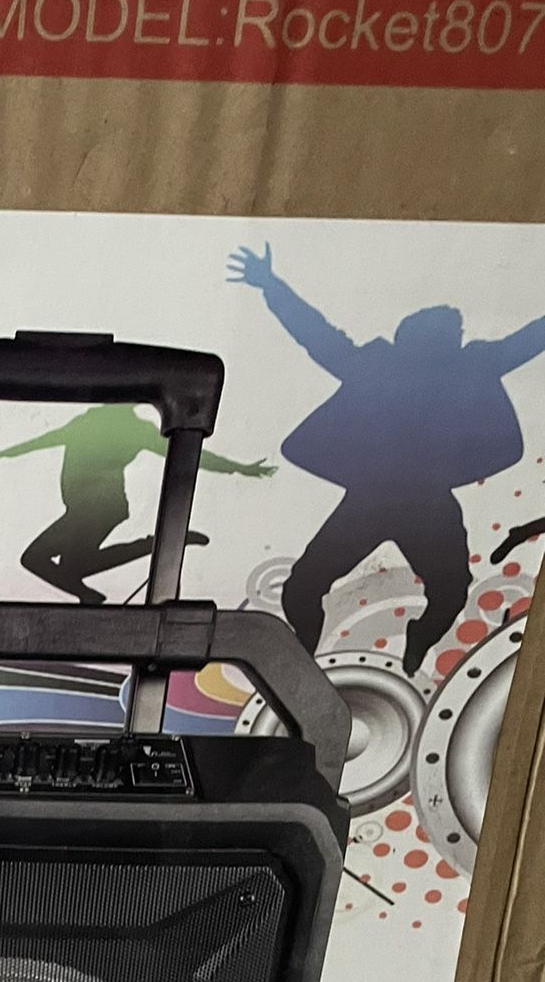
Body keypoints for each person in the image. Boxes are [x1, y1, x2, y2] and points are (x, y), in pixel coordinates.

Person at [228, 243, 545, 672]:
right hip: (375, 499)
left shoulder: (468, 364)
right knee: (305, 587)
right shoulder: (384, 364)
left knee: (449, 590)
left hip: (421, 503)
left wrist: (272, 286)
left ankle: (413, 642)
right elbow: (319, 337)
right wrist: (272, 286)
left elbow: (528, 341)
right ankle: (306, 661)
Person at [0, 404, 273, 602]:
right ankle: (146, 552)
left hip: (98, 508)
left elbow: (190, 453)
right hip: (86, 508)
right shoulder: (88, 421)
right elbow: (46, 439)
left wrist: (238, 469)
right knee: (69, 567)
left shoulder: (134, 430)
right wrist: (4, 453)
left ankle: (102, 584)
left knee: (35, 558)